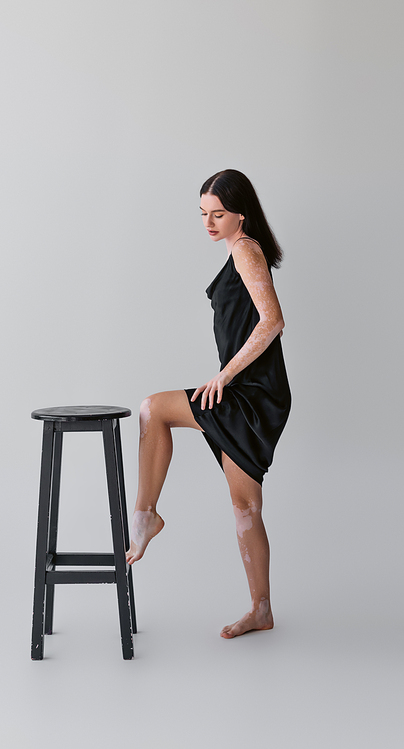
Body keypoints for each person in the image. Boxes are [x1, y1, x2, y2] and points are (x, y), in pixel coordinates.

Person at [126, 169, 291, 639]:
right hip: (248, 392)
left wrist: (224, 375)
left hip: (252, 394)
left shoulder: (245, 249)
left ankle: (145, 516)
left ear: (241, 212)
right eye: (203, 214)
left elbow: (273, 321)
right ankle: (262, 610)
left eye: (218, 213)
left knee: (153, 409)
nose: (209, 222)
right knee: (246, 508)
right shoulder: (238, 250)